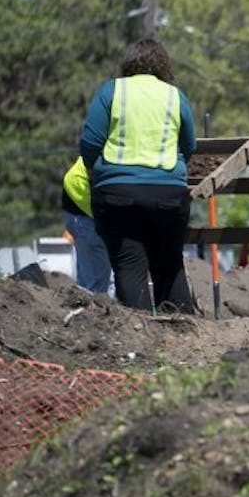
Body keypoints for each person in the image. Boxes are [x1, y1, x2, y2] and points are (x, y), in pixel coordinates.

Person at [79, 38, 197, 313]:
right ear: (163, 65)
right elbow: (189, 146)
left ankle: (141, 342)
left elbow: (89, 144)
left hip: (119, 196)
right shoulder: (174, 96)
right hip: (169, 195)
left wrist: (97, 175)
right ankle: (183, 338)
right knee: (170, 265)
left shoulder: (111, 92)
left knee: (130, 268)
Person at [60, 156, 113, 295]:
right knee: (96, 283)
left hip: (83, 199)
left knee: (93, 277)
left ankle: (86, 307)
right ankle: (93, 311)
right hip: (83, 204)